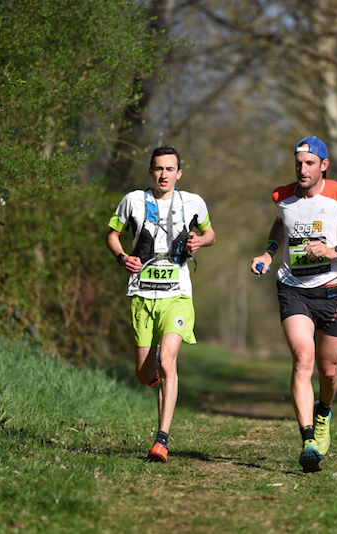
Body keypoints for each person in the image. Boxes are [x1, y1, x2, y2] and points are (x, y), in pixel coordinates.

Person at [251, 136, 337, 472]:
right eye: (298, 162)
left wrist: (335, 251)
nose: (302, 168)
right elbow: (280, 224)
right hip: (293, 288)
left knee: (328, 370)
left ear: (324, 165)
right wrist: (267, 252)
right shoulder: (282, 197)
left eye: (309, 163)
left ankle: (323, 412)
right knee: (302, 358)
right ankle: (308, 439)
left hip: (334, 292)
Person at [106, 145, 215, 463]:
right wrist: (122, 257)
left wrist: (199, 240)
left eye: (170, 169)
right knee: (144, 376)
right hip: (142, 295)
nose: (163, 174)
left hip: (178, 296)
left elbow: (210, 234)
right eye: (158, 168)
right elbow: (112, 234)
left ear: (179, 173)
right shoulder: (132, 201)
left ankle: (162, 440)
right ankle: (152, 363)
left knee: (169, 363)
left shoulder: (192, 202)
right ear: (151, 171)